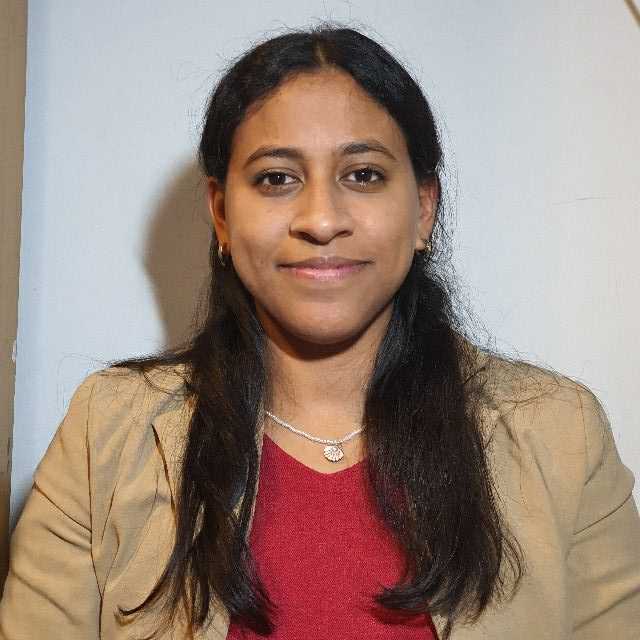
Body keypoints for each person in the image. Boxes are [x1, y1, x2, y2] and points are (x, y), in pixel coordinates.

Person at [0, 24, 638, 640]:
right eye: (277, 178)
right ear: (221, 215)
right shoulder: (106, 433)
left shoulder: (560, 434)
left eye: (363, 174)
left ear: (423, 208)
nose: (322, 219)